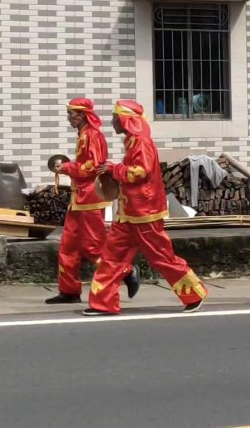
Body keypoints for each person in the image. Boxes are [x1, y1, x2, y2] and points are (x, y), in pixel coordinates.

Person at [84, 100, 207, 315]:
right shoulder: (133, 141)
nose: (112, 121)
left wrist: (115, 169)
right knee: (111, 256)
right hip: (130, 211)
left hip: (145, 212)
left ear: (125, 120)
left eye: (115, 117)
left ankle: (193, 294)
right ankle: (103, 303)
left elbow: (140, 172)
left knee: (162, 256)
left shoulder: (141, 142)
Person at [47, 98, 139, 304]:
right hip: (78, 198)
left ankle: (126, 270)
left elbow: (93, 167)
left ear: (81, 114)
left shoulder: (93, 136)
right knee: (68, 246)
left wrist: (67, 168)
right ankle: (69, 290)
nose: (69, 118)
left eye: (71, 113)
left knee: (93, 246)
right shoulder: (84, 135)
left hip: (90, 198)